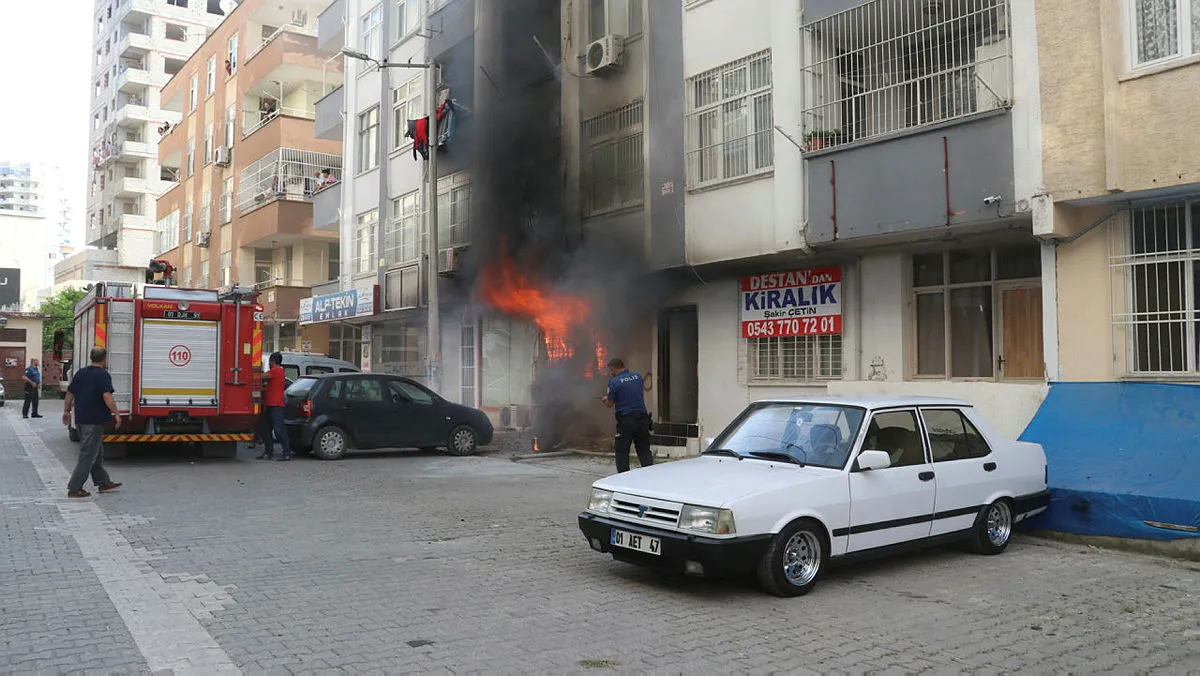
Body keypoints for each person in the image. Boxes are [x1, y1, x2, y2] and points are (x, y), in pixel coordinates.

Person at [62, 347, 123, 499]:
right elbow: (106, 395)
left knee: (96, 453)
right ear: (104, 359)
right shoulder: (103, 375)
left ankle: (103, 482)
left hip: (81, 420)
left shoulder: (81, 373)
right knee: (87, 455)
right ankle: (74, 488)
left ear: (91, 357)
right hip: (94, 421)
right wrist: (116, 414)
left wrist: (66, 411)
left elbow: (70, 393)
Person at [601, 358, 654, 473]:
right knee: (644, 449)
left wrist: (605, 399)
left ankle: (623, 478)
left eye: (610, 371)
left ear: (612, 369)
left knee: (622, 451)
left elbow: (610, 404)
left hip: (626, 420)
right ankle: (650, 474)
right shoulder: (638, 377)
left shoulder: (614, 382)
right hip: (642, 419)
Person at [259, 352, 292, 461]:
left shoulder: (277, 370)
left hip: (276, 405)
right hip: (270, 405)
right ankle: (268, 452)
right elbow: (270, 388)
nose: (269, 363)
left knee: (279, 430)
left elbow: (262, 376)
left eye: (270, 361)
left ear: (272, 361)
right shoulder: (278, 372)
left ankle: (286, 453)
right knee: (265, 429)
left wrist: (255, 371)